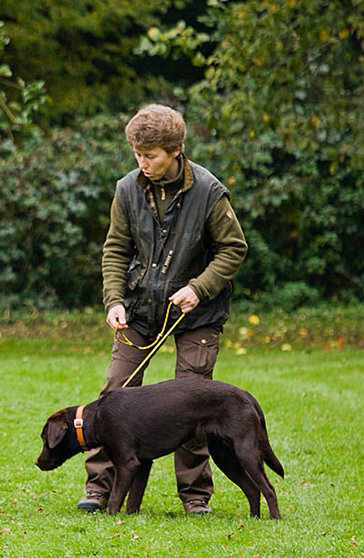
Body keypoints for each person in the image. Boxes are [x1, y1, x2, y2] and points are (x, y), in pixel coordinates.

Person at [79, 103, 247, 515]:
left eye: (150, 156)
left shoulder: (209, 191)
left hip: (197, 313)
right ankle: (100, 489)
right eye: (137, 155)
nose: (143, 163)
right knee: (115, 395)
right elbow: (116, 249)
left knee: (191, 401)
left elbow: (234, 249)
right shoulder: (127, 188)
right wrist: (114, 300)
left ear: (176, 150)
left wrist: (199, 288)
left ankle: (194, 497)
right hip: (139, 308)